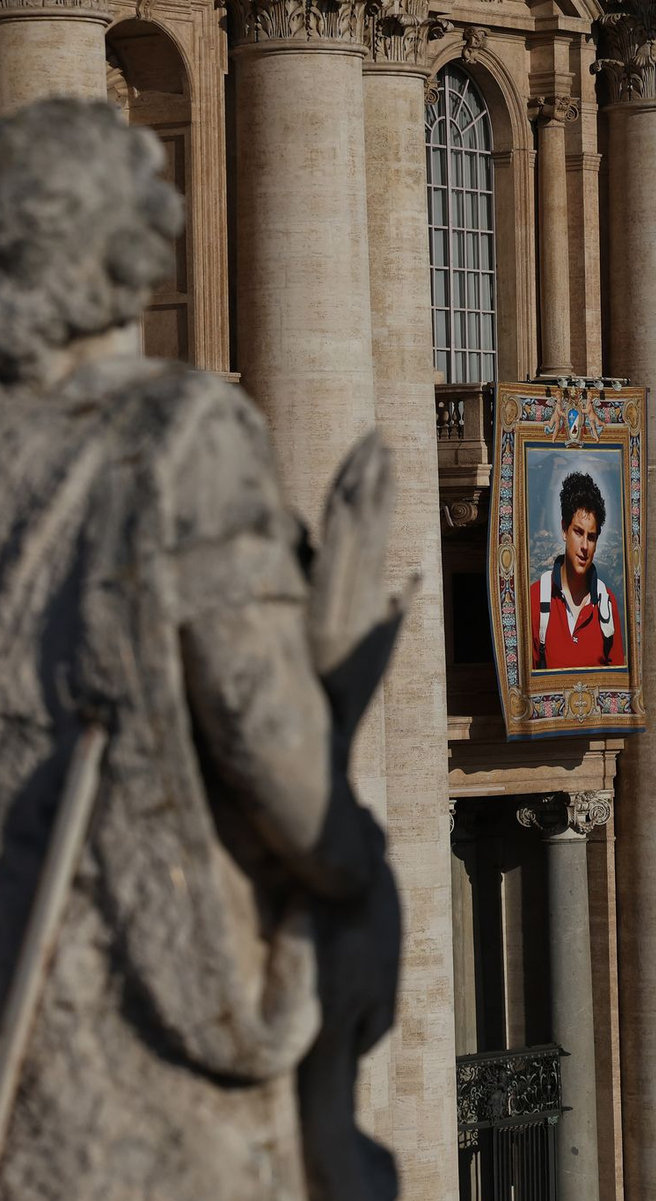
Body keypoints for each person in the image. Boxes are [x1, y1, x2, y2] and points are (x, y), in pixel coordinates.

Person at [0, 100, 400, 1201]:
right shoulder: (178, 433)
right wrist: (353, 862)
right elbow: (267, 738)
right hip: (142, 1008)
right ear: (129, 249)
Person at [530, 471, 625, 669]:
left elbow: (617, 689)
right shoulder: (536, 599)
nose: (584, 546)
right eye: (578, 532)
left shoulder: (606, 604)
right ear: (564, 530)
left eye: (591, 537)